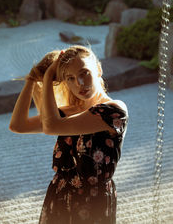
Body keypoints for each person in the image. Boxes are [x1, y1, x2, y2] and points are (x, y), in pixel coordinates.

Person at [9, 45, 128, 224]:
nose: (79, 83)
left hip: (92, 201)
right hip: (59, 194)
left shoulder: (113, 111)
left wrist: (48, 76)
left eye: (84, 73)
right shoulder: (68, 112)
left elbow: (51, 126)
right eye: (70, 78)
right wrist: (32, 79)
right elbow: (18, 125)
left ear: (99, 69)